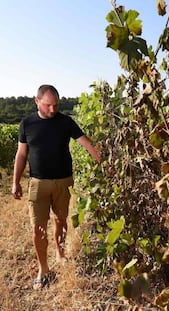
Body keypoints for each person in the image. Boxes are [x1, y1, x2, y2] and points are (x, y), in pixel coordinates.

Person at [12, 84, 101, 290]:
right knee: (38, 228)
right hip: (37, 184)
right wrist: (15, 181)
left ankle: (60, 253)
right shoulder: (27, 124)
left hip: (63, 182)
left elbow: (86, 143)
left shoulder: (66, 121)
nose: (53, 109)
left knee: (61, 221)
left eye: (56, 105)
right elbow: (22, 154)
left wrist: (101, 160)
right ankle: (43, 269)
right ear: (37, 101)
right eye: (48, 105)